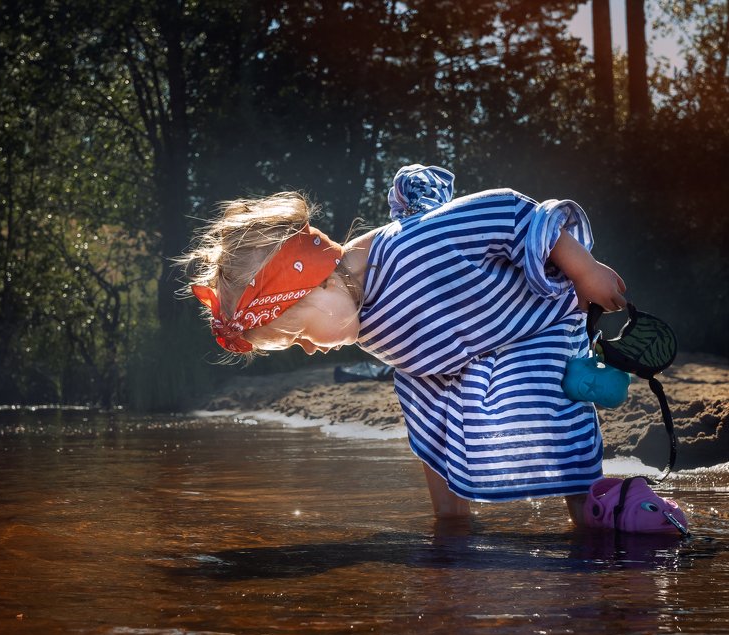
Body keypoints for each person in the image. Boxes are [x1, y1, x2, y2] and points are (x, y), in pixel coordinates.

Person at [180, 165, 629, 526]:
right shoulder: (356, 310)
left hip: (530, 324)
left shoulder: (413, 247)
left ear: (316, 284)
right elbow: (427, 385)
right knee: (429, 408)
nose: (311, 349)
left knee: (549, 413)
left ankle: (589, 511)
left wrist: (585, 270)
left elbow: (510, 212)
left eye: (299, 335)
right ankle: (452, 518)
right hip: (459, 358)